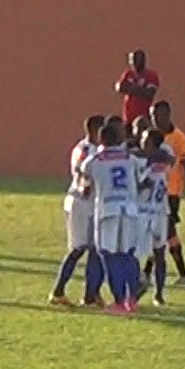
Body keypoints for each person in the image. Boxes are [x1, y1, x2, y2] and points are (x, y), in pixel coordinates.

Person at [81, 122, 143, 315]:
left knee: (109, 255)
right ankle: (132, 298)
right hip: (130, 209)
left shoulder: (94, 160)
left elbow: (85, 187)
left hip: (107, 209)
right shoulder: (131, 159)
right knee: (128, 254)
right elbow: (141, 181)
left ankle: (118, 301)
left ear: (101, 140)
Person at [50, 114, 106, 307]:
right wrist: (88, 187)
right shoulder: (87, 150)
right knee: (79, 248)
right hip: (81, 203)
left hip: (89, 203)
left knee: (95, 249)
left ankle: (92, 294)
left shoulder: (88, 148)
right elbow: (84, 176)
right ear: (94, 130)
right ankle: (58, 291)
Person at [152, 101, 185, 281]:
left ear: (167, 115)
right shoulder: (152, 137)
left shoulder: (178, 137)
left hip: (172, 192)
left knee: (167, 230)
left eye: (158, 116)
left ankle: (182, 274)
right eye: (153, 116)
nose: (155, 120)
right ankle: (150, 272)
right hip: (155, 192)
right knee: (161, 231)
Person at [136, 129, 174, 306]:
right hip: (159, 212)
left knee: (135, 253)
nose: (141, 142)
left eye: (144, 140)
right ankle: (158, 294)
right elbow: (168, 158)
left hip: (144, 213)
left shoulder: (150, 164)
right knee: (159, 253)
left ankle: (139, 284)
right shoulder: (163, 160)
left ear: (151, 143)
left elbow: (140, 185)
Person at [115, 50, 161, 127]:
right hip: (128, 118)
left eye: (137, 59)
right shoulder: (128, 73)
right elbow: (119, 87)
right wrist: (138, 90)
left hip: (143, 118)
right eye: (132, 60)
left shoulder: (151, 75)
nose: (134, 62)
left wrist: (131, 88)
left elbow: (149, 94)